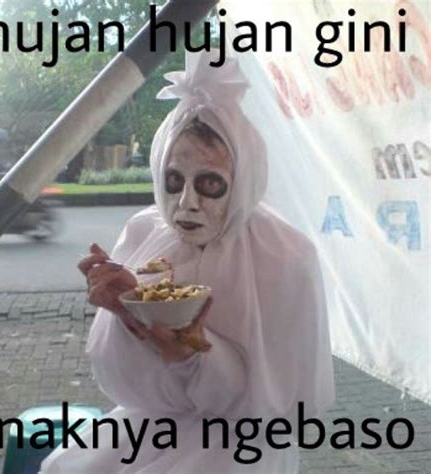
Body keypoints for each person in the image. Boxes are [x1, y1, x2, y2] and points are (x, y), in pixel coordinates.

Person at [40, 50, 334, 474]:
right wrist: (124, 311)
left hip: (242, 439)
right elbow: (120, 382)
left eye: (210, 183)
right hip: (155, 418)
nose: (186, 204)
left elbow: (279, 405)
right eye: (174, 181)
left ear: (244, 180)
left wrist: (197, 353)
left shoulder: (286, 258)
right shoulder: (145, 233)